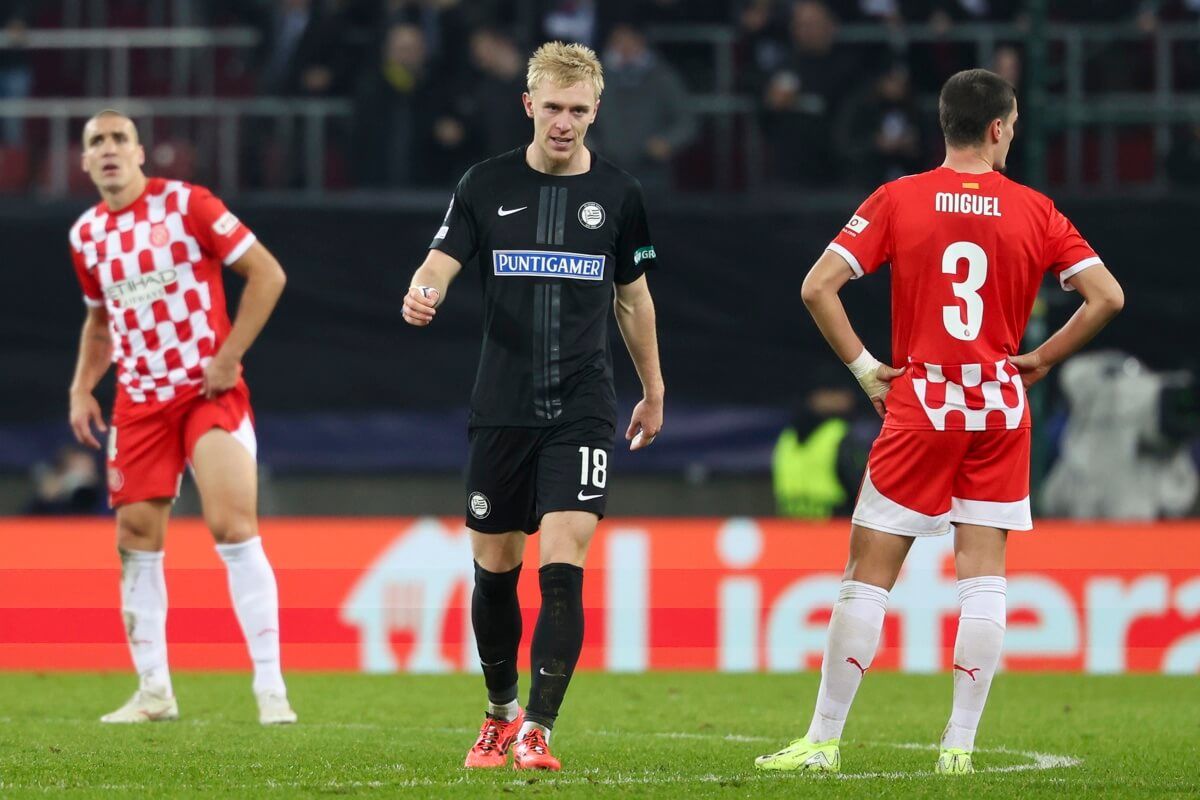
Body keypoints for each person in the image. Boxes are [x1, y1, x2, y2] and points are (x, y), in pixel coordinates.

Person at [755, 69, 1124, 775]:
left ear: (943, 125)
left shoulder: (899, 198)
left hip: (922, 401)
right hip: (998, 404)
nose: (1010, 135)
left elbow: (817, 287)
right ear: (996, 128)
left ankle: (823, 742)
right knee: (983, 579)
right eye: (1011, 126)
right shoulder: (1037, 210)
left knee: (868, 576)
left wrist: (868, 370)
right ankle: (958, 749)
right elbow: (1106, 297)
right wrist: (1041, 358)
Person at [402, 41, 664, 771]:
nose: (564, 122)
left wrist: (654, 388)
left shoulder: (619, 195)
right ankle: (498, 712)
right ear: (529, 105)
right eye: (552, 107)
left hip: (583, 405)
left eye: (578, 110)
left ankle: (539, 730)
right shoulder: (484, 185)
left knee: (563, 563)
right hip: (502, 407)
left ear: (596, 112)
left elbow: (633, 299)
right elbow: (440, 258)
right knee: (495, 568)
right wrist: (425, 290)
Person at [67, 110, 295, 726]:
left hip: (204, 389)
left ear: (141, 153)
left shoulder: (188, 205)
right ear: (85, 162)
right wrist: (82, 388)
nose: (109, 149)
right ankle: (154, 693)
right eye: (97, 142)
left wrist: (230, 356)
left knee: (231, 525)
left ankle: (272, 690)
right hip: (138, 403)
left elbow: (267, 273)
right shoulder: (86, 235)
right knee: (135, 540)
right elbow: (99, 322)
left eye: (119, 138)